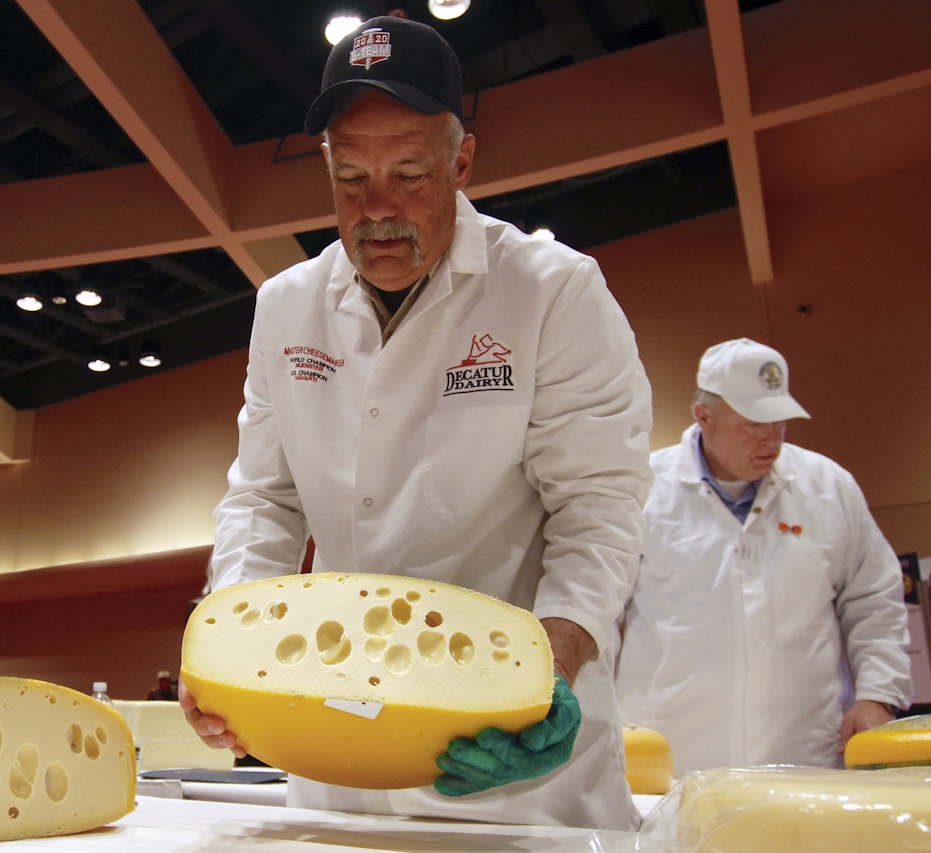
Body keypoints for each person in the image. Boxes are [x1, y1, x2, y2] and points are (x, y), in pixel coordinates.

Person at [179, 15, 653, 831]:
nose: (378, 208)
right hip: (335, 747)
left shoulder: (552, 292)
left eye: (408, 173)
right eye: (351, 177)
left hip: (511, 758)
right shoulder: (286, 307)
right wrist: (225, 646)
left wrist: (553, 668)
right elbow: (264, 499)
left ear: (461, 164)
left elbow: (598, 507)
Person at [615, 338, 913, 774]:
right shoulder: (642, 490)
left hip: (805, 754)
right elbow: (603, 616)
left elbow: (874, 601)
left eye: (779, 422)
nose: (771, 439)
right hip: (672, 758)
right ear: (703, 416)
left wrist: (878, 695)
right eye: (753, 424)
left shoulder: (829, 488)